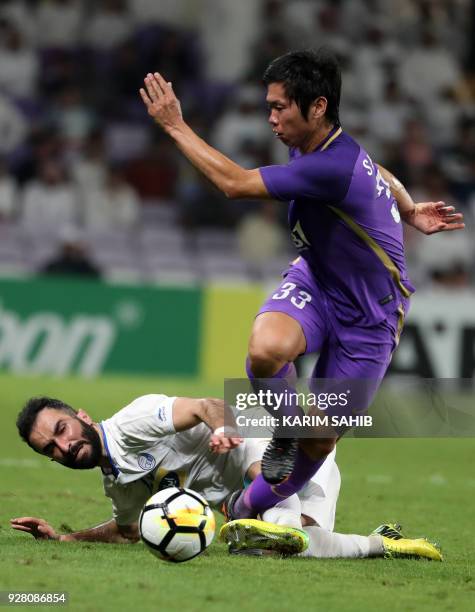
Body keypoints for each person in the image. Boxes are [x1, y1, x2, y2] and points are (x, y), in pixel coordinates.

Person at [139, 48, 464, 522]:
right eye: (268, 106)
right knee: (266, 351)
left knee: (320, 440)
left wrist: (174, 126)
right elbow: (380, 171)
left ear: (317, 107)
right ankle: (286, 432)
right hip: (317, 278)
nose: (270, 118)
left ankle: (240, 510)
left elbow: (233, 184)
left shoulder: (330, 166)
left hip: (370, 317)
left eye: (278, 107)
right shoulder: (327, 145)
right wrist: (409, 208)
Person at [10, 395, 442, 561]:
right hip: (249, 500)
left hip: (273, 444)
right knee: (292, 542)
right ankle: (382, 543)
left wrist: (221, 429)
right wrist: (64, 540)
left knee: (276, 518)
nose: (63, 446)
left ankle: (278, 499)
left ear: (80, 416)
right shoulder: (116, 483)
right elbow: (126, 531)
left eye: (61, 430)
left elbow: (207, 405)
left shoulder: (133, 422)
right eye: (50, 448)